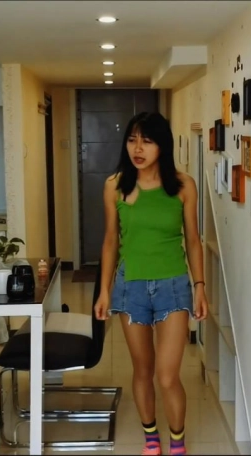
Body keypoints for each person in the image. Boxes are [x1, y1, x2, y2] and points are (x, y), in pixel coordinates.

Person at [94, 111, 209, 456]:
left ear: (163, 145)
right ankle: (151, 439)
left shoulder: (184, 186)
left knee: (167, 376)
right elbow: (111, 241)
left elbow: (193, 240)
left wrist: (200, 286)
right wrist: (104, 290)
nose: (138, 149)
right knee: (142, 370)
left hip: (173, 287)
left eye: (147, 141)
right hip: (130, 288)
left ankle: (177, 443)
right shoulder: (115, 185)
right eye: (132, 140)